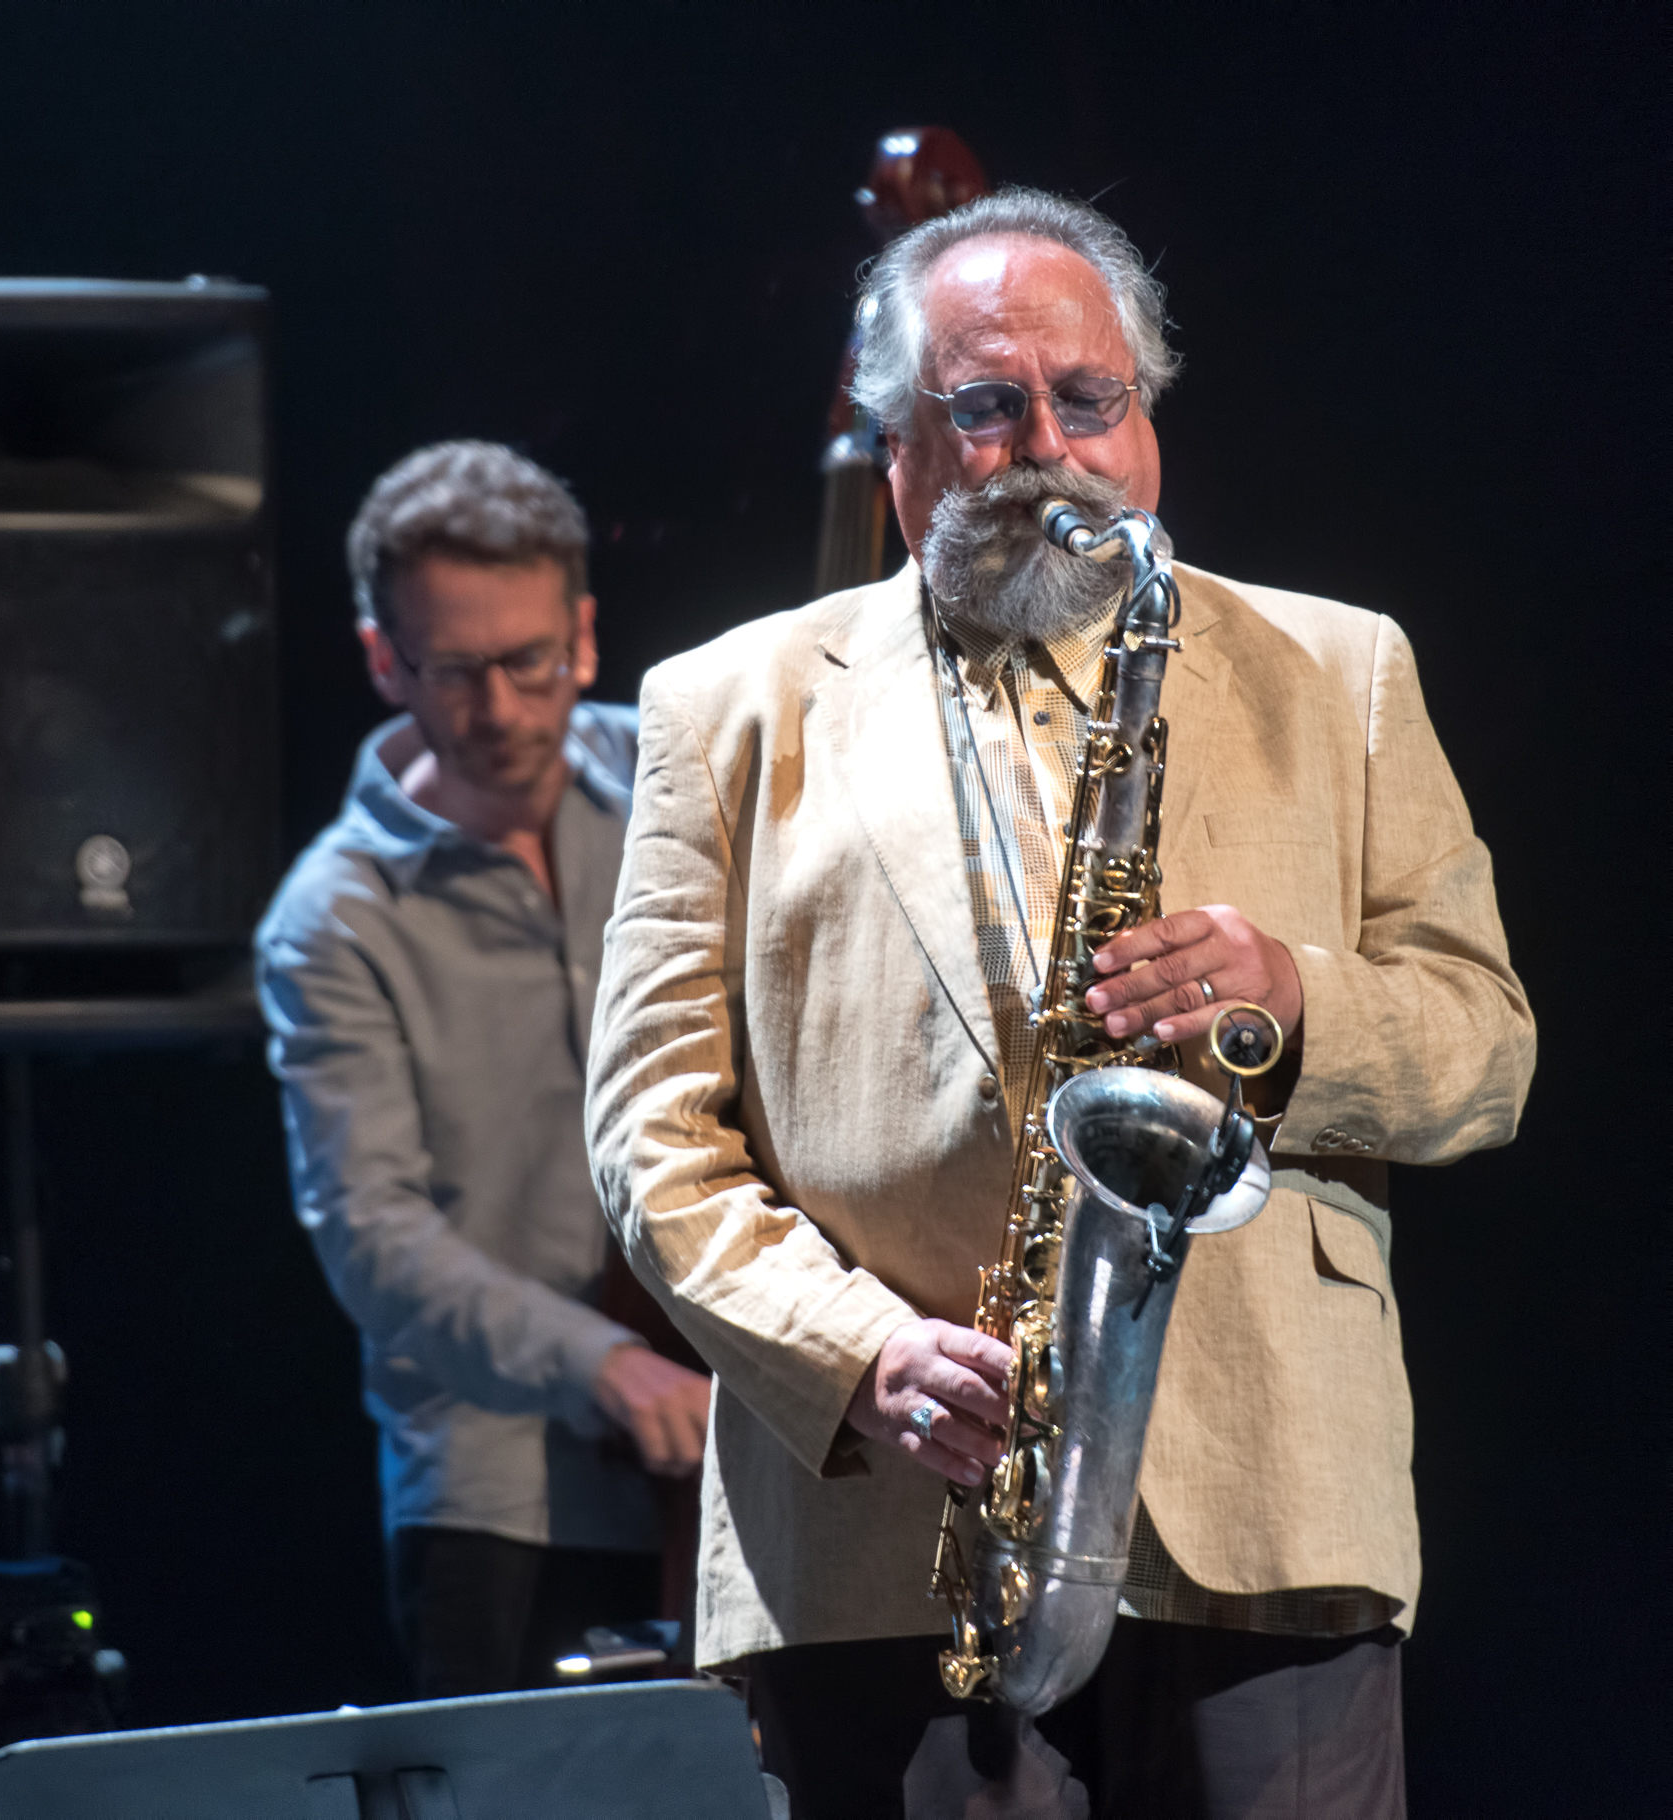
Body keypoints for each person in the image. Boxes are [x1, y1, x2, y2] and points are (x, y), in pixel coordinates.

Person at [585, 191, 1534, 1816]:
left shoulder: (1344, 669)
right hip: (894, 1528)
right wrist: (860, 1351)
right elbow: (649, 1141)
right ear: (895, 448)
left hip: (1273, 1509)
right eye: (985, 406)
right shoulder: (722, 708)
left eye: (1088, 400)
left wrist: (1293, 1001)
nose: (1048, 447)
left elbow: (1485, 1049)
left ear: (1144, 419)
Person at [256, 441, 712, 1698]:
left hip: (737, 1444)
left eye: (531, 660)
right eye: (454, 672)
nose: (502, 708)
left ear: (583, 629)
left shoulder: (678, 780)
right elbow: (375, 1234)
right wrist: (604, 1362)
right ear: (382, 659)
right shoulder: (332, 917)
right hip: (502, 1489)